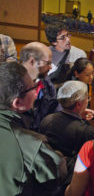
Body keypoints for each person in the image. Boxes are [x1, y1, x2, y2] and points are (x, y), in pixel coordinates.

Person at [0, 62, 66, 195]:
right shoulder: (32, 144)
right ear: (17, 102)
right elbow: (58, 173)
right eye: (33, 88)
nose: (36, 93)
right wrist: (58, 155)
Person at [20, 42, 61, 132]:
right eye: (48, 63)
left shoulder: (46, 82)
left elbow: (55, 106)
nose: (50, 67)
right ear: (32, 61)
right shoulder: (12, 84)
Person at [68, 58, 94, 132]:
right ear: (76, 74)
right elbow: (80, 115)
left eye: (93, 73)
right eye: (87, 75)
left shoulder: (86, 85)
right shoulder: (74, 91)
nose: (91, 77)